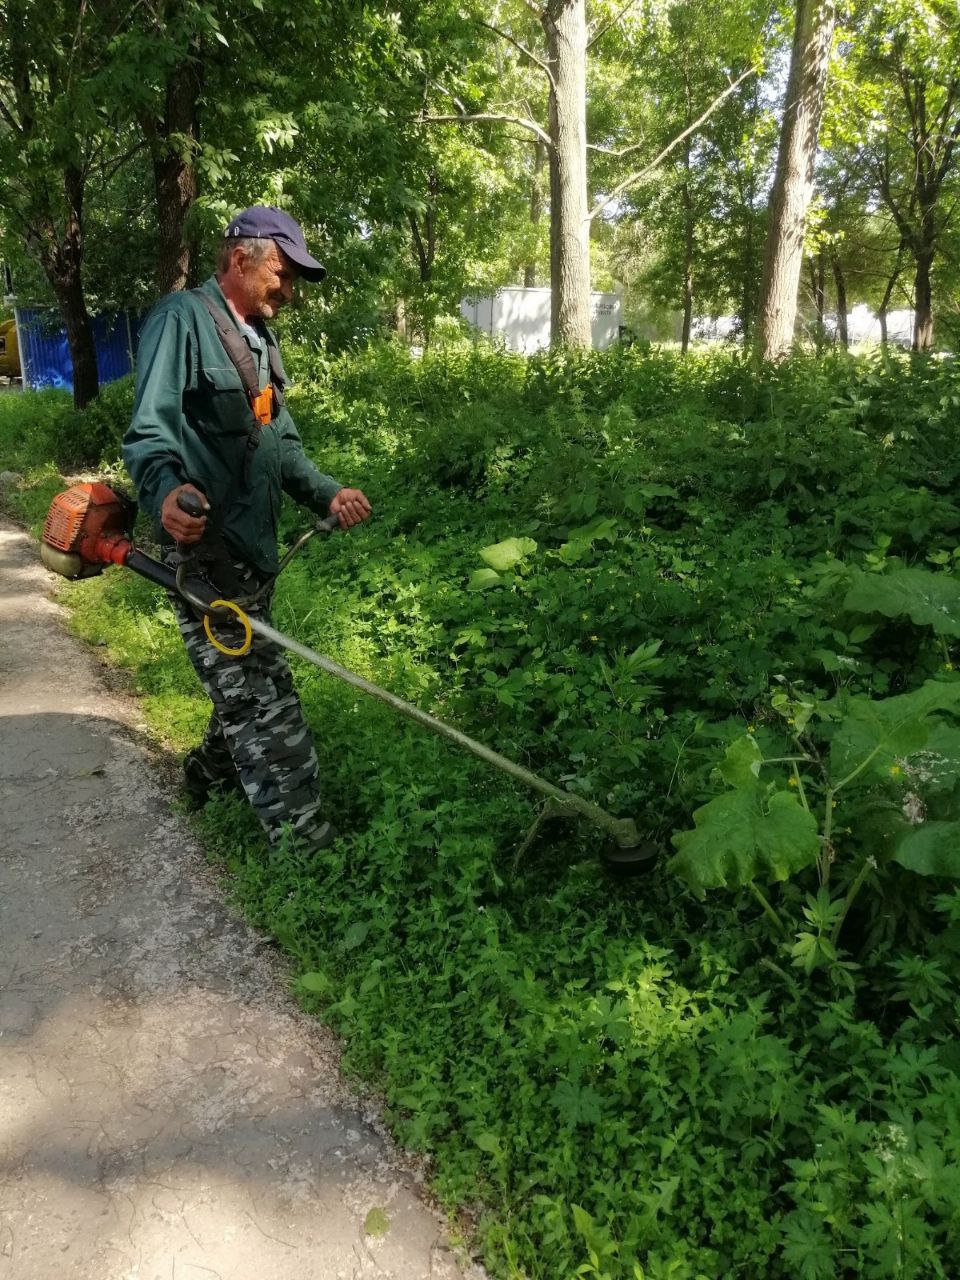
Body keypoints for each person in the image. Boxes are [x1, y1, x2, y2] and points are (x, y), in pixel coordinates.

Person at [123, 205, 371, 851]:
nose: (288, 292)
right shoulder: (180, 322)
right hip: (203, 559)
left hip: (254, 557)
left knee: (244, 683)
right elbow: (149, 432)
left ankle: (206, 773)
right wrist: (168, 492)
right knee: (266, 703)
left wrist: (328, 491)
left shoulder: (258, 341)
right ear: (241, 259)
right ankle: (310, 853)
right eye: (283, 276)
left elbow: (278, 443)